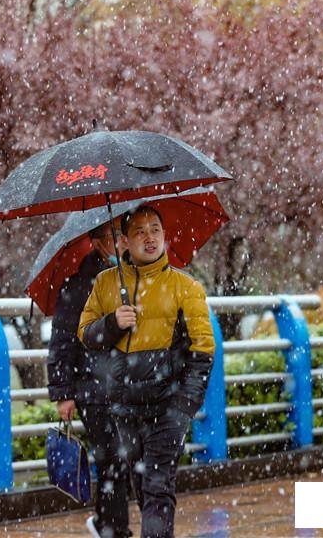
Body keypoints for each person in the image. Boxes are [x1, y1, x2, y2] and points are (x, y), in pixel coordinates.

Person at [78, 206, 215, 538]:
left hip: (167, 407)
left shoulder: (186, 287)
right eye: (140, 232)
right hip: (124, 408)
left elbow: (203, 350)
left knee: (157, 488)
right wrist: (113, 323)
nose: (149, 237)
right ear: (124, 240)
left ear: (165, 235)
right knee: (142, 486)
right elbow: (85, 334)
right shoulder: (106, 283)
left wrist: (185, 405)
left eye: (156, 229)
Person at [47, 223, 132, 538]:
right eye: (112, 238)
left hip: (124, 384)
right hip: (91, 387)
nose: (120, 244)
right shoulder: (79, 285)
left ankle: (105, 523)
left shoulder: (130, 279)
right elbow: (62, 341)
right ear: (96, 243)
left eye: (122, 238)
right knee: (113, 458)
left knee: (120, 459)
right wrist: (63, 393)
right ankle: (114, 529)